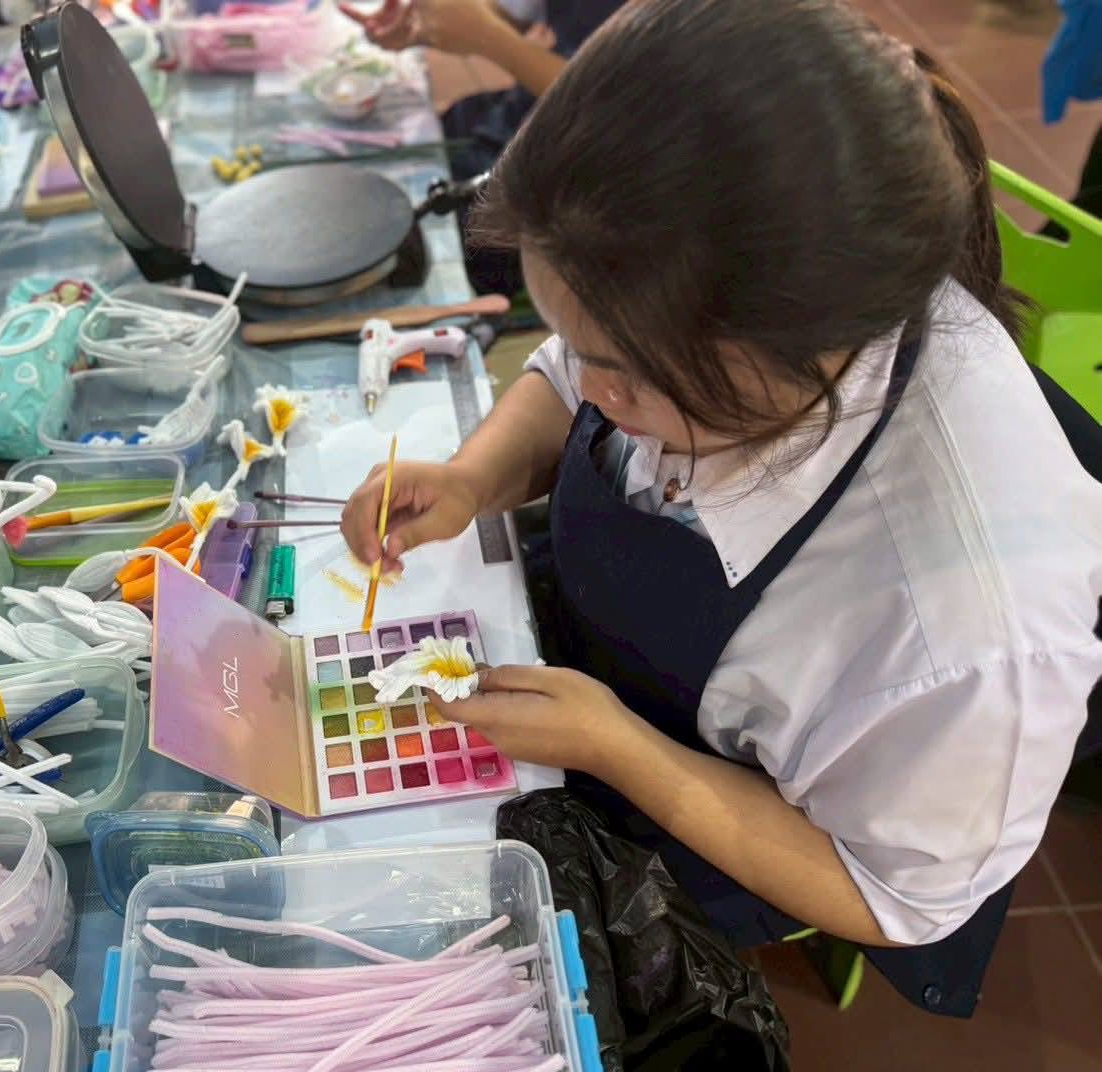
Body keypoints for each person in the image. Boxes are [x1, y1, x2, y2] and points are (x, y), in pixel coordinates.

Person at [340, 0, 1102, 1017]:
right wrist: (476, 476)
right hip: (609, 677)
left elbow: (893, 896)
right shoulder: (689, 310)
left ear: (796, 353)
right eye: (583, 345)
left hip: (735, 807)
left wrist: (622, 751)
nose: (591, 388)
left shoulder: (963, 627)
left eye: (625, 375)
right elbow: (568, 371)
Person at [341, 0, 628, 297]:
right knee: (439, 135)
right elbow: (521, 16)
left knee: (455, 240)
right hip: (538, 105)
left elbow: (614, 116)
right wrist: (442, 24)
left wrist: (488, 35)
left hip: (599, 156)